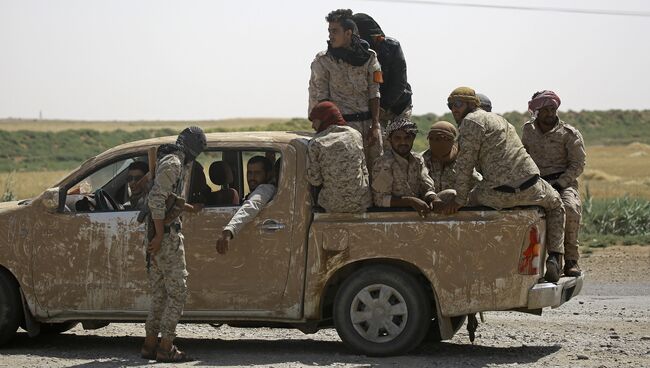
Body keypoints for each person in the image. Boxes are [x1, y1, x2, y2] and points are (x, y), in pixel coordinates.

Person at [435, 87, 566, 282]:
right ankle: (556, 257)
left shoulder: (470, 122)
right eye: (450, 105)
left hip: (497, 194)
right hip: (532, 186)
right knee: (556, 204)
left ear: (472, 104)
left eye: (458, 104)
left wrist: (459, 200)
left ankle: (460, 263)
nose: (454, 109)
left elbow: (464, 166)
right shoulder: (501, 120)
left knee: (455, 202)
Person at [141, 126, 206, 362]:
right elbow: (156, 200)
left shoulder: (170, 160)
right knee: (177, 293)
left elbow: (168, 197)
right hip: (166, 237)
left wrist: (189, 208)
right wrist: (159, 236)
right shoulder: (174, 164)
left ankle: (149, 345)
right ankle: (166, 346)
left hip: (161, 235)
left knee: (159, 294)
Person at [522, 90, 586, 277]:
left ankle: (571, 260)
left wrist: (561, 183)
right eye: (546, 109)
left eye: (553, 109)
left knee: (570, 209)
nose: (551, 113)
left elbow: (578, 164)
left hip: (563, 183)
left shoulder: (569, 133)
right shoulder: (528, 130)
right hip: (537, 183)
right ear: (536, 112)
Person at [308, 9, 383, 168]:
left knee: (377, 175)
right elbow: (321, 98)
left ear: (348, 33)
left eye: (335, 31)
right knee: (349, 176)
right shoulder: (324, 61)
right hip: (342, 129)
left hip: (369, 126)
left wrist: (376, 125)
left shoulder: (369, 57)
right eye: (329, 31)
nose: (330, 35)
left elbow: (374, 91)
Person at [307, 101, 372, 213]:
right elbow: (363, 168)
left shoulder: (316, 142)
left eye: (315, 121)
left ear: (324, 118)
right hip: (361, 203)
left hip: (332, 206)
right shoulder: (355, 134)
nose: (313, 126)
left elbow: (315, 180)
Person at [352, 13, 412, 127]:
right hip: (372, 110)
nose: (378, 40)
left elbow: (399, 82)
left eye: (378, 37)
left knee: (399, 141)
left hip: (397, 106)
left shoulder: (392, 46)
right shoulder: (355, 52)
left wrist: (383, 106)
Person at [372, 117, 439, 215]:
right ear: (390, 140)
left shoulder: (417, 160)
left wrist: (434, 199)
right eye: (397, 138)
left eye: (407, 138)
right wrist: (410, 201)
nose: (403, 142)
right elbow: (380, 200)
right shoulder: (383, 163)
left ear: (413, 138)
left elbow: (426, 187)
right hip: (393, 217)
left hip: (418, 214)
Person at [215, 156, 276, 254]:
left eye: (257, 173)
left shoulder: (266, 189)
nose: (252, 177)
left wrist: (229, 230)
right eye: (249, 173)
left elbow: (252, 205)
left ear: (268, 174)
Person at [421, 121, 481, 203]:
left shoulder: (464, 161)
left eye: (439, 139)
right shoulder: (422, 160)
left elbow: (477, 187)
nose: (434, 142)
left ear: (451, 140)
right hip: (429, 207)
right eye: (431, 138)